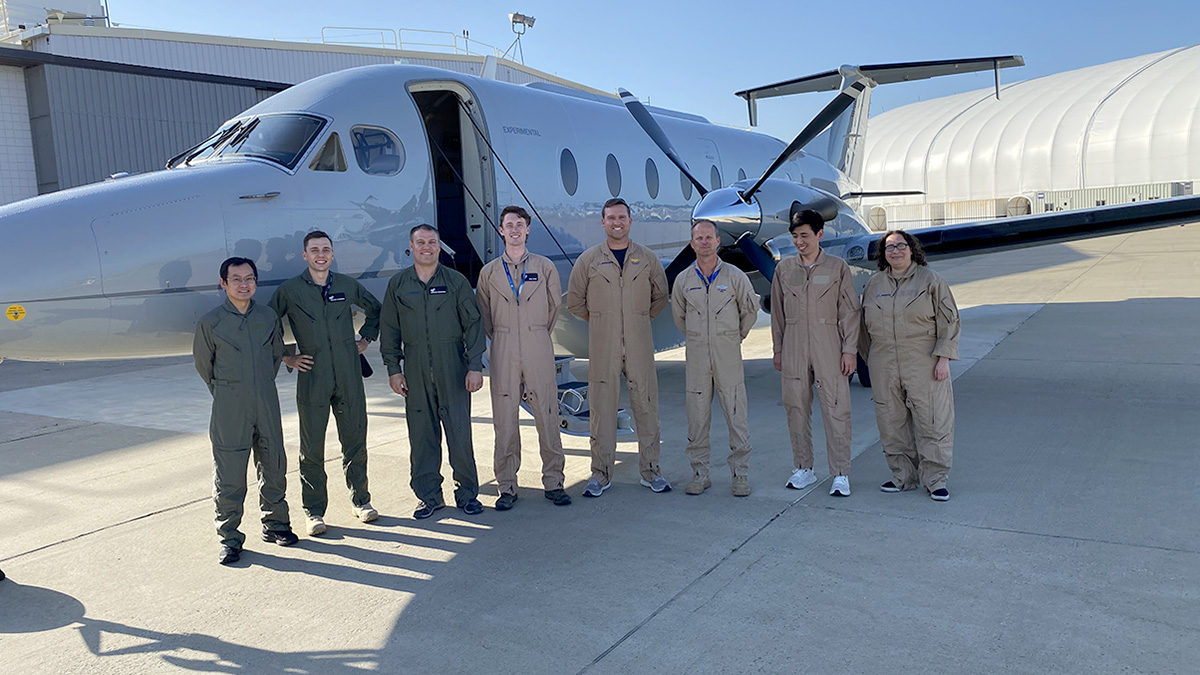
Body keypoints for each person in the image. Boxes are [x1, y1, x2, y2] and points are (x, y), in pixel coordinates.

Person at [270, 231, 381, 536]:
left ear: (332, 254)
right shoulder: (290, 290)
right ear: (304, 255)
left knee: (355, 440)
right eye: (314, 250)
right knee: (312, 448)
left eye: (326, 250)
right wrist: (286, 357)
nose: (321, 254)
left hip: (348, 375)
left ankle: (361, 501)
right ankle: (314, 511)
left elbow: (375, 308)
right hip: (313, 377)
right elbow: (266, 323)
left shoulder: (346, 284)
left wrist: (367, 337)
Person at [194, 257, 297, 565]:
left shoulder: (267, 317)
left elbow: (277, 355)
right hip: (229, 404)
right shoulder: (210, 323)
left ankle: (276, 524)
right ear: (223, 284)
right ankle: (229, 537)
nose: (244, 284)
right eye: (236, 279)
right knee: (230, 474)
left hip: (266, 399)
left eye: (249, 278)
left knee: (274, 463)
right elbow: (204, 366)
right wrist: (228, 391)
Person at [566, 198, 671, 497]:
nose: (617, 222)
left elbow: (659, 298)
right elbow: (575, 301)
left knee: (647, 407)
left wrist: (635, 320)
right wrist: (602, 321)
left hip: (639, 344)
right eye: (611, 217)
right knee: (601, 411)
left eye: (622, 217)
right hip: (603, 346)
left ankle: (651, 472)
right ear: (602, 222)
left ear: (630, 221)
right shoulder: (588, 260)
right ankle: (600, 474)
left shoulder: (647, 258)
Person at [380, 224, 486, 518]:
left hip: (452, 369)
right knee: (422, 437)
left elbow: (473, 325)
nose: (427, 247)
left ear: (439, 247)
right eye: (420, 242)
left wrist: (474, 367)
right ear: (410, 247)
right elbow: (389, 330)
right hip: (414, 372)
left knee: (460, 436)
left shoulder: (455, 282)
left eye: (432, 242)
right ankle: (429, 497)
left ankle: (467, 494)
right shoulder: (399, 284)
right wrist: (394, 369)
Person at [476, 206, 572, 510]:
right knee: (504, 420)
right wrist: (503, 336)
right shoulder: (489, 272)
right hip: (503, 344)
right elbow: (484, 314)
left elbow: (554, 308)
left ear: (528, 229)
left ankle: (554, 481)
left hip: (537, 342)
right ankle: (506, 486)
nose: (515, 229)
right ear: (501, 231)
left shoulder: (544, 267)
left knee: (547, 413)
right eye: (509, 225)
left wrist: (535, 334)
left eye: (520, 224)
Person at [860, 230, 960, 501]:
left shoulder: (931, 280)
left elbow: (949, 321)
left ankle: (936, 479)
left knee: (932, 420)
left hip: (922, 357)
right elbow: (863, 330)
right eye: (889, 247)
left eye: (900, 246)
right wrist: (874, 362)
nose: (895, 251)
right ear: (883, 254)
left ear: (912, 249)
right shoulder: (874, 285)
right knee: (891, 421)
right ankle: (902, 476)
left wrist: (943, 359)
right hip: (884, 361)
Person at [771, 210, 861, 497]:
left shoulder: (837, 267)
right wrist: (778, 349)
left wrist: (849, 351)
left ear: (820, 235)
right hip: (795, 346)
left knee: (836, 409)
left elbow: (849, 312)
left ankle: (840, 474)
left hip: (829, 345)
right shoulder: (784, 269)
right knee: (795, 408)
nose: (799, 241)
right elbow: (777, 314)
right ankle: (803, 468)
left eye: (805, 236)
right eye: (795, 236)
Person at [671, 220, 760, 496]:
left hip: (728, 356)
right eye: (699, 238)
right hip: (697, 357)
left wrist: (732, 337)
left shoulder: (735, 277)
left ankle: (740, 475)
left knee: (736, 415)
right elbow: (679, 317)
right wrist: (701, 338)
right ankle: (700, 473)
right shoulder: (684, 280)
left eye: (709, 237)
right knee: (697, 417)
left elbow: (749, 311)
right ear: (692, 243)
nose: (705, 242)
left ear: (718, 241)